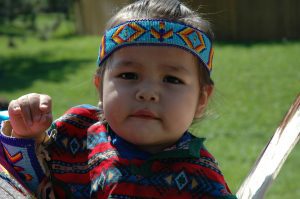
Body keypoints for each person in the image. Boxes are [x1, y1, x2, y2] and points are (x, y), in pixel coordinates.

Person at [0, 0, 237, 198]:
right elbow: (25, 185)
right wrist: (27, 134)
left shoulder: (202, 181)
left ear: (201, 99)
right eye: (128, 75)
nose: (147, 92)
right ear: (100, 87)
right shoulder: (75, 133)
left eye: (172, 79)